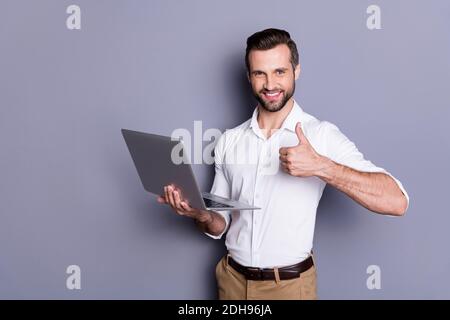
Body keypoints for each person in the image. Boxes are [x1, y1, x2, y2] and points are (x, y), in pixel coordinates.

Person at [157, 28, 409, 300]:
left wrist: (322, 166)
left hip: (289, 288)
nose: (270, 84)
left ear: (296, 71)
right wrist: (200, 214)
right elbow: (221, 223)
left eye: (279, 72)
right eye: (259, 73)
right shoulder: (229, 141)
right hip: (230, 282)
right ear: (249, 77)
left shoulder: (319, 135)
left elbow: (397, 202)